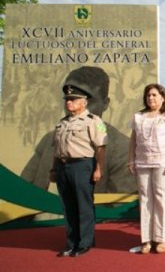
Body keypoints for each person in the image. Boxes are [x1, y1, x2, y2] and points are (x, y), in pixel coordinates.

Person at [22, 66, 135, 194]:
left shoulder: (123, 151)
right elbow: (21, 192)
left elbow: (117, 211)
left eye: (87, 102)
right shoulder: (49, 140)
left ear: (105, 104)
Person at [51, 83, 107, 257]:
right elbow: (57, 148)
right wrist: (53, 169)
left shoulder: (94, 121)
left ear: (84, 102)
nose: (69, 102)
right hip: (62, 167)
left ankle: (85, 243)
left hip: (82, 166)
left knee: (84, 205)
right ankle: (71, 243)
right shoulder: (62, 123)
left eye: (73, 99)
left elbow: (101, 147)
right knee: (68, 207)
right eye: (67, 99)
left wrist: (98, 168)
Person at [128, 84, 165, 254]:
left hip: (163, 162)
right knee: (145, 199)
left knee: (161, 199)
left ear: (162, 97)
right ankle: (146, 239)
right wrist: (131, 160)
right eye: (148, 95)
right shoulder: (138, 117)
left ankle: (161, 238)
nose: (151, 98)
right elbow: (133, 140)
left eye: (154, 95)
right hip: (142, 162)